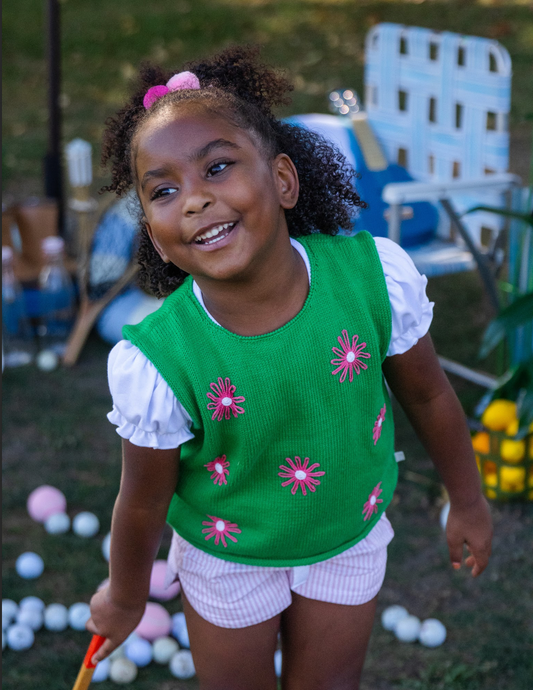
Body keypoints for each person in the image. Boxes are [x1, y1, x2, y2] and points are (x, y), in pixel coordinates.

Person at [87, 47, 493, 689]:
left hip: (346, 534)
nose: (194, 200)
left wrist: (467, 499)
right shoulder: (160, 360)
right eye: (164, 190)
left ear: (282, 180)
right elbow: (142, 503)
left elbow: (430, 397)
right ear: (155, 234)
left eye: (217, 167)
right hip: (228, 555)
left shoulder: (372, 281)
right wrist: (126, 596)